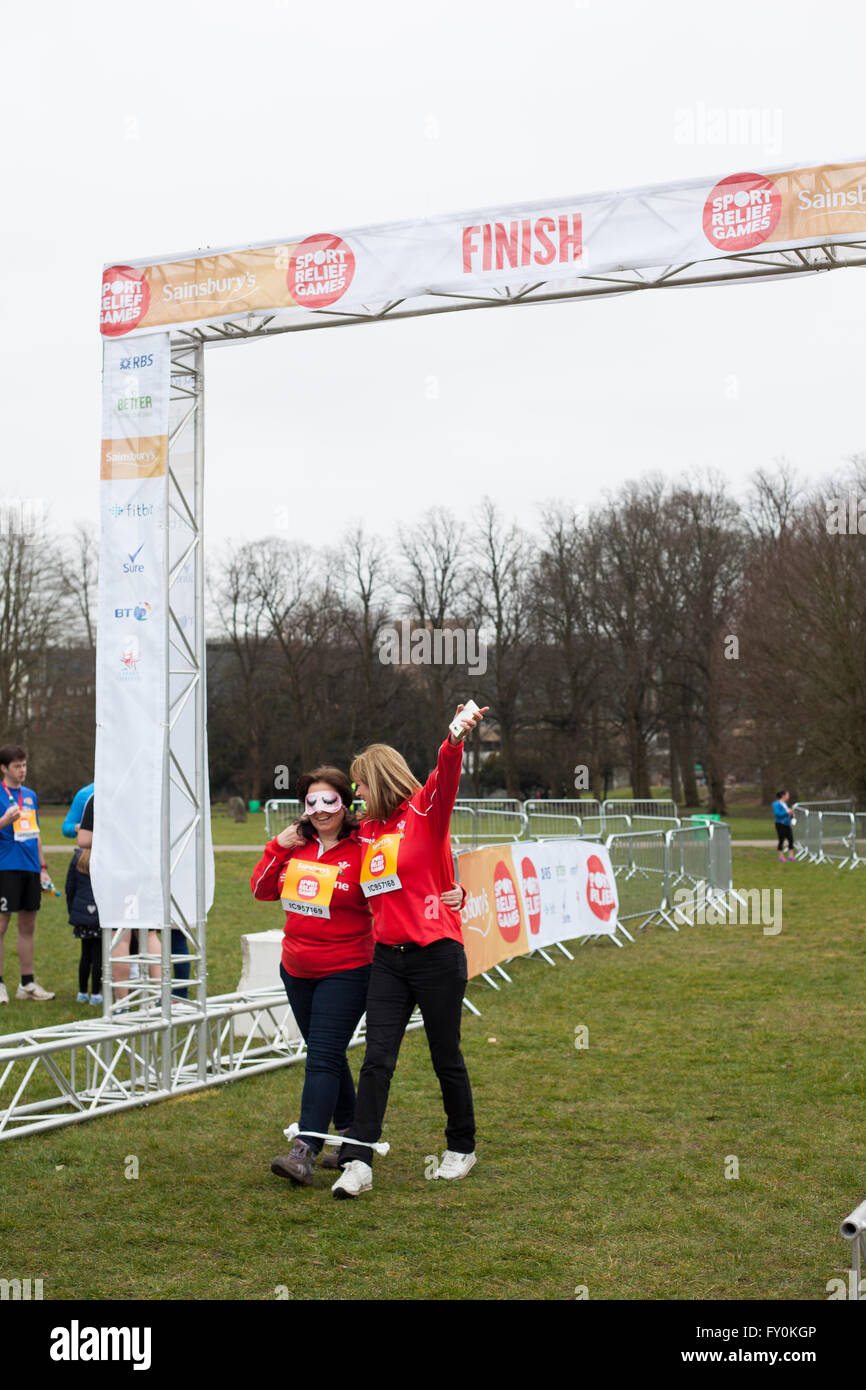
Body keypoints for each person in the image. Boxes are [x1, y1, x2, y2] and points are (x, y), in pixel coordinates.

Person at [252, 765, 464, 1186]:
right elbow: (262, 889)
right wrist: (278, 845)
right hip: (296, 967)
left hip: (349, 968)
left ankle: (305, 1148)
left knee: (324, 1055)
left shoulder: (364, 842)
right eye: (310, 802)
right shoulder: (297, 844)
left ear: (346, 803)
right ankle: (348, 1132)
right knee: (324, 1052)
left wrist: (455, 890)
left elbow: (411, 870)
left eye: (329, 800)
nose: (319, 809)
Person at [333, 701, 487, 1200]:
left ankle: (460, 1147)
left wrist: (456, 734)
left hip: (437, 954)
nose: (355, 795)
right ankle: (358, 1159)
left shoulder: (424, 809)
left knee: (446, 1056)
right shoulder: (368, 832)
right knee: (377, 1059)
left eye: (359, 785)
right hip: (388, 961)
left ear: (378, 780)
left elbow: (445, 774)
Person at [0, 744, 55, 1003]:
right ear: (4, 768)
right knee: (1, 925)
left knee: (28, 925)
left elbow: (36, 833)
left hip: (30, 867)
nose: (22, 771)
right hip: (5, 866)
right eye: (17, 766)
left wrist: (43, 868)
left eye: (24, 765)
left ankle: (26, 983)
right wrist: (4, 821)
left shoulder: (30, 795)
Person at [66, 845, 102, 1004]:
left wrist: (72, 910)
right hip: (101, 913)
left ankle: (82, 992)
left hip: (81, 913)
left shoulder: (78, 858)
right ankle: (96, 993)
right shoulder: (103, 856)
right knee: (99, 956)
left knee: (85, 955)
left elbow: (70, 887)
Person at [771, 788, 796, 863]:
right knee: (781, 840)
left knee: (791, 839)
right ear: (783, 795)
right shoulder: (776, 804)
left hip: (787, 824)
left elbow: (787, 813)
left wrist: (791, 814)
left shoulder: (785, 804)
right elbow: (777, 814)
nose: (788, 796)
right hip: (780, 824)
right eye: (787, 795)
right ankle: (781, 857)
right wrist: (787, 812)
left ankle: (791, 856)